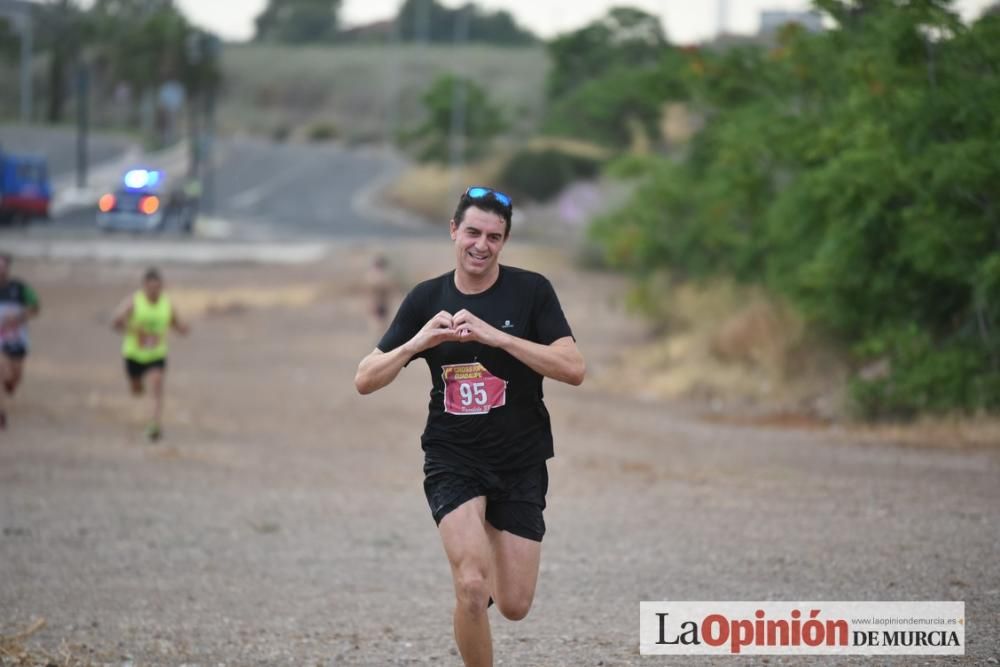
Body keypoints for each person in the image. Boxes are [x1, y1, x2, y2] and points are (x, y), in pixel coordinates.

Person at [354, 186, 585, 667]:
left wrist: (497, 337)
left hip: (521, 459)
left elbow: (573, 368)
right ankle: (470, 604)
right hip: (452, 457)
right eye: (473, 232)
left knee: (515, 604)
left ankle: (472, 604)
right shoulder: (427, 298)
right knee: (472, 585)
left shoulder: (531, 290)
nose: (482, 245)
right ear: (454, 231)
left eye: (494, 237)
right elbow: (364, 379)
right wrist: (414, 343)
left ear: (504, 242)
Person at [112, 267, 189, 442]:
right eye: (151, 288)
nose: (154, 291)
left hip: (156, 354)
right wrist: (133, 330)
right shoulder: (134, 301)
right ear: (144, 287)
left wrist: (182, 329)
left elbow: (175, 323)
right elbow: (115, 322)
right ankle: (137, 385)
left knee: (157, 385)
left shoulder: (166, 304)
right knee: (137, 390)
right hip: (134, 354)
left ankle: (154, 425)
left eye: (158, 288)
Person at [0, 253, 41, 429]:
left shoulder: (19, 288)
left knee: (14, 379)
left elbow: (36, 307)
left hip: (17, 341)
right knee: (4, 373)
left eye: (2, 267)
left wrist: (18, 317)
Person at [365, 253, 393, 333]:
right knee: (379, 326)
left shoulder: (373, 276)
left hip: (380, 303)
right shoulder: (379, 276)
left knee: (379, 326)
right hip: (378, 303)